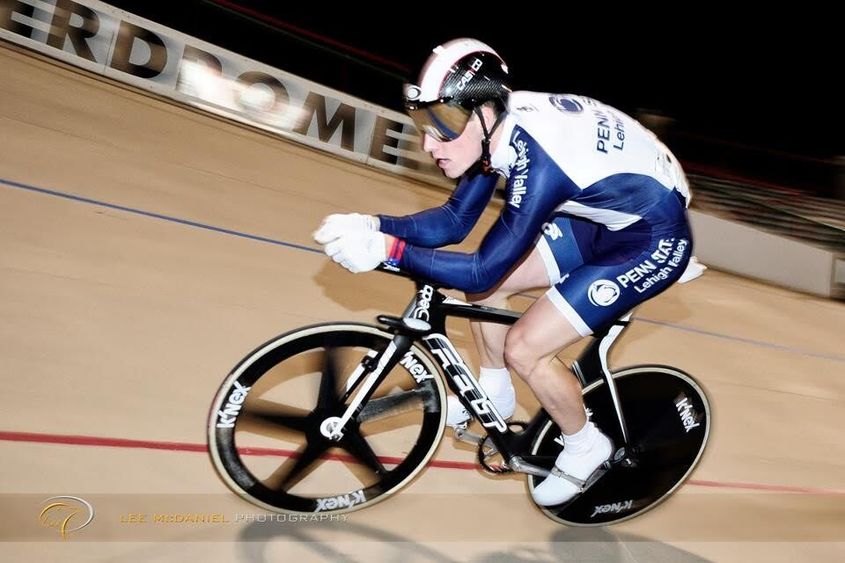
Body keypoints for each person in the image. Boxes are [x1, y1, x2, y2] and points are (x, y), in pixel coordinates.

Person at [313, 38, 698, 507]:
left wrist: (387, 250)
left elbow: (478, 270)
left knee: (525, 347)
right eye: (425, 122)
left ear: (484, 113)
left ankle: (586, 446)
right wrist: (373, 224)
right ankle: (494, 395)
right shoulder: (492, 129)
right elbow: (454, 222)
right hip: (598, 216)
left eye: (443, 123)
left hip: (651, 240)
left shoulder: (541, 159)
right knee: (492, 286)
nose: (429, 142)